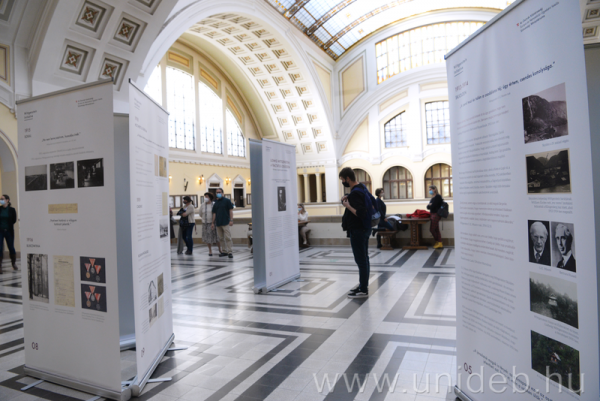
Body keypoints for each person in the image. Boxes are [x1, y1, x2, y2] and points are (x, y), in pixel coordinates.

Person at [340, 167, 371, 299]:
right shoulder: (361, 187)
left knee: (361, 260)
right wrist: (349, 197)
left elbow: (360, 213)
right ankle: (363, 285)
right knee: (364, 259)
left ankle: (363, 290)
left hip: (358, 230)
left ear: (347, 178)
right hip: (365, 228)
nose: (343, 182)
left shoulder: (355, 193)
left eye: (342, 180)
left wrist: (348, 206)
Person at [212, 188, 234, 258]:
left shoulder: (227, 201)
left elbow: (230, 211)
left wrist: (231, 220)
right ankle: (224, 251)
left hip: (226, 222)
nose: (218, 193)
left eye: (219, 192)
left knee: (228, 237)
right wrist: (212, 223)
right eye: (217, 192)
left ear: (222, 193)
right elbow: (214, 213)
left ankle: (230, 252)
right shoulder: (216, 203)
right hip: (218, 223)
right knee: (221, 238)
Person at [200, 192, 222, 257]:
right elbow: (200, 214)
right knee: (207, 238)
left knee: (217, 237)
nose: (205, 198)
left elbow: (217, 213)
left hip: (214, 223)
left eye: (207, 196)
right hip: (205, 223)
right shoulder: (203, 205)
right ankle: (210, 250)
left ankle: (220, 249)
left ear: (210, 198)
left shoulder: (214, 204)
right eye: (205, 196)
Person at [0, 194, 17, 274]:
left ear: (7, 200)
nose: (1, 200)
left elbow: (14, 220)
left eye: (2, 199)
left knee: (11, 247)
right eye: (0, 199)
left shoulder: (12, 210)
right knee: (0, 248)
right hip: (0, 231)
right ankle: (0, 266)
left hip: (9, 231)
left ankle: (13, 263)